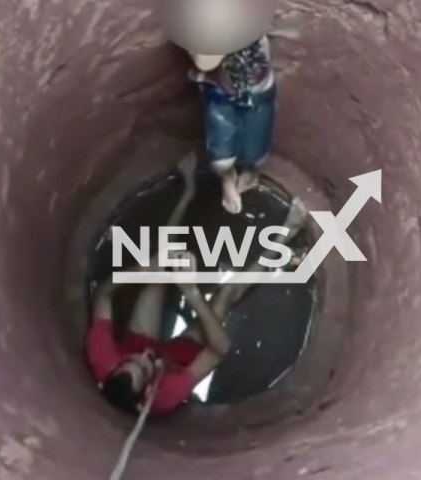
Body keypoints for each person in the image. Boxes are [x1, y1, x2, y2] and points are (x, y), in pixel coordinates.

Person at [85, 156, 310, 416]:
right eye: (143, 368)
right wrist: (190, 292)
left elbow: (103, 294)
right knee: (226, 294)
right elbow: (219, 350)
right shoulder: (165, 395)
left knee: (156, 274)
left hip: (138, 340)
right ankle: (288, 230)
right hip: (173, 365)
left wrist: (147, 268)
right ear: (143, 398)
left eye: (131, 361)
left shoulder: (105, 361)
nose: (144, 356)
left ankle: (188, 190)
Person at [188, 34, 276, 215]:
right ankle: (228, 177)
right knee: (221, 160)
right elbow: (205, 61)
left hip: (259, 93)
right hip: (222, 96)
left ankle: (250, 170)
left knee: (255, 152)